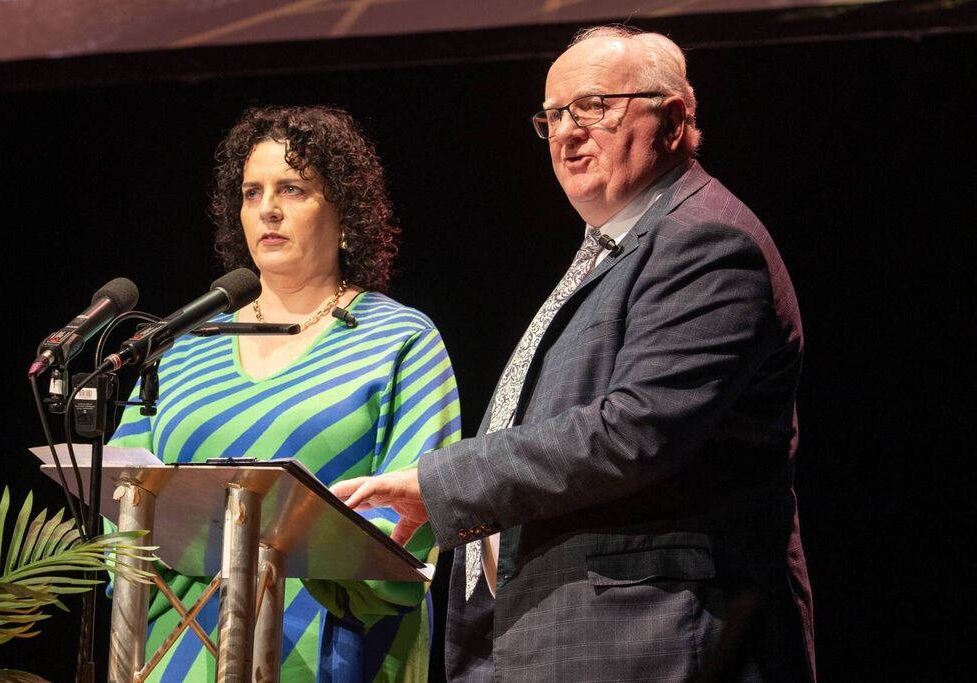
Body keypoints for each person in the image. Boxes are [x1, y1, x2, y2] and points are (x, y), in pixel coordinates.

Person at [332, 26, 815, 682]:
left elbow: (634, 431)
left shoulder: (706, 244)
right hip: (561, 638)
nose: (565, 132)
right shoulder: (617, 251)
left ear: (672, 119)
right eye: (553, 115)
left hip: (657, 640)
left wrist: (444, 482)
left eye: (592, 106)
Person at [107, 105, 461, 682]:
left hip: (332, 649)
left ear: (344, 212)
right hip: (178, 648)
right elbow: (120, 497)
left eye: (292, 189)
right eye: (252, 192)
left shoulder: (400, 340)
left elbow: (412, 518)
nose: (267, 208)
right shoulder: (185, 346)